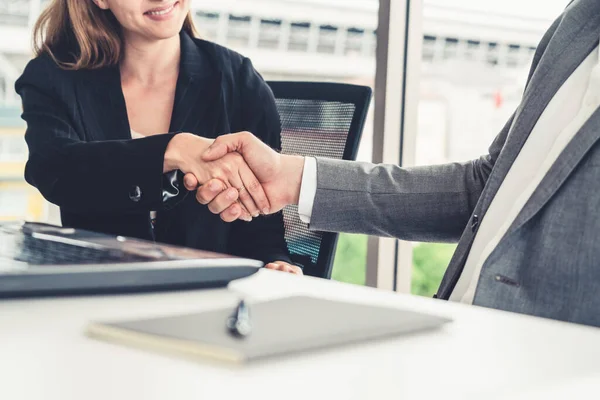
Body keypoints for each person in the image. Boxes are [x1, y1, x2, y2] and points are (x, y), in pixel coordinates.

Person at [186, 0, 600, 328]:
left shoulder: (232, 78)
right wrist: (291, 177)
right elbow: (486, 187)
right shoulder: (580, 22)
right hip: (456, 322)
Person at [15, 0, 301, 274]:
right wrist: (173, 149)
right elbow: (54, 169)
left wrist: (275, 263)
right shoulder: (54, 76)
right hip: (97, 288)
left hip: (205, 295)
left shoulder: (240, 81)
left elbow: (262, 231)